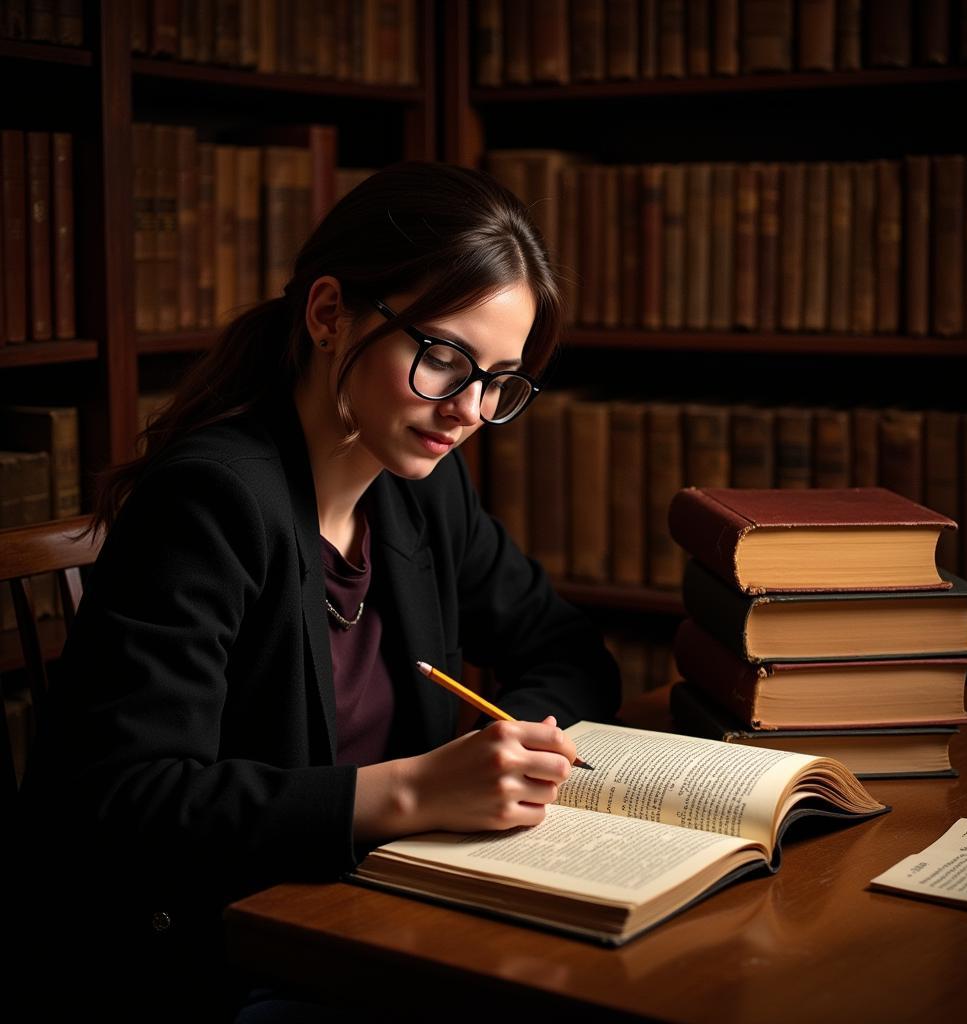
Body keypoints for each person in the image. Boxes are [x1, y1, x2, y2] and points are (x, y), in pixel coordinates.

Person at [13, 161, 620, 1020]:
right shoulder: (212, 501)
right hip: (215, 958)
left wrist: (518, 741)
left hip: (379, 918)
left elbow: (564, 649)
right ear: (330, 313)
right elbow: (124, 801)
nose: (471, 410)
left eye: (498, 380)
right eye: (444, 357)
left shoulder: (422, 488)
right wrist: (413, 791)